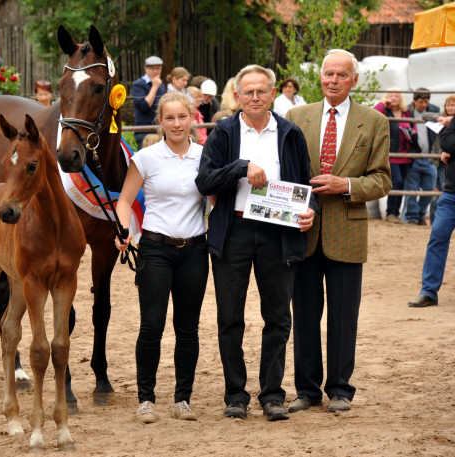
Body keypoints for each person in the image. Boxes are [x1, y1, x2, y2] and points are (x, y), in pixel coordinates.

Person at [195, 65, 316, 422]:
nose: (254, 98)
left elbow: (306, 185)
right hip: (233, 231)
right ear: (237, 96)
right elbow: (204, 181)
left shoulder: (291, 133)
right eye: (248, 92)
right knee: (230, 318)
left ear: (272, 92)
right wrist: (241, 167)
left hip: (279, 233)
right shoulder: (223, 132)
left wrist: (309, 211)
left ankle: (272, 395)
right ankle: (235, 395)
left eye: (261, 91)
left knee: (278, 317)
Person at [285, 49, 391, 413]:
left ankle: (341, 390)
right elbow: (287, 174)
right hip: (304, 229)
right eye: (328, 74)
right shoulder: (296, 116)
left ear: (354, 80)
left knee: (344, 316)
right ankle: (307, 389)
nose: (333, 80)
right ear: (320, 78)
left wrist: (345, 184)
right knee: (304, 313)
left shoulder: (374, 122)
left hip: (348, 230)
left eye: (341, 75)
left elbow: (381, 180)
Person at [114, 92, 208, 424]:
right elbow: (124, 202)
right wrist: (123, 229)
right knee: (151, 325)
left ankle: (183, 398)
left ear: (192, 118)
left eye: (182, 117)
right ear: (160, 122)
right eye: (169, 118)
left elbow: (215, 197)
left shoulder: (204, 156)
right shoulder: (146, 158)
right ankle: (146, 398)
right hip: (155, 250)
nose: (176, 124)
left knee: (188, 328)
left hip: (195, 250)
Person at [408, 117, 455, 308]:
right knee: (437, 236)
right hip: (451, 194)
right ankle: (428, 291)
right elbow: (447, 141)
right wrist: (449, 147)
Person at [373, 88, 414, 223]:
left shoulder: (406, 112)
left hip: (406, 154)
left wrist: (411, 133)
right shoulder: (385, 111)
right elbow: (373, 114)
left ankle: (396, 213)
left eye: (396, 95)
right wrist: (383, 102)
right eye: (391, 95)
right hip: (391, 154)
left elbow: (413, 126)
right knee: (396, 181)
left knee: (402, 184)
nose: (394, 98)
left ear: (401, 98)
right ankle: (390, 212)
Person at [401, 88, 439, 225]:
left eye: (426, 102)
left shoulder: (434, 110)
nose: (423, 104)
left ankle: (421, 214)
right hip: (413, 157)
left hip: (429, 157)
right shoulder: (407, 111)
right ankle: (411, 218)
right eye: (421, 101)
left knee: (429, 190)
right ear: (414, 100)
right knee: (412, 189)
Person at [424, 95, 455, 223]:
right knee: (437, 191)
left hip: (449, 161)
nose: (450, 107)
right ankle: (434, 221)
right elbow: (426, 116)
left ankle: (439, 221)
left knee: (444, 191)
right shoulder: (443, 119)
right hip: (438, 160)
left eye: (453, 105)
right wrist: (441, 118)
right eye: (448, 105)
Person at [132, 56, 166, 150]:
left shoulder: (161, 85)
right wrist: (154, 87)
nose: (155, 71)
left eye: (158, 68)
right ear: (146, 68)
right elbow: (144, 106)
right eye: (152, 68)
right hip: (144, 131)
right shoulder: (138, 84)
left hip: (159, 130)